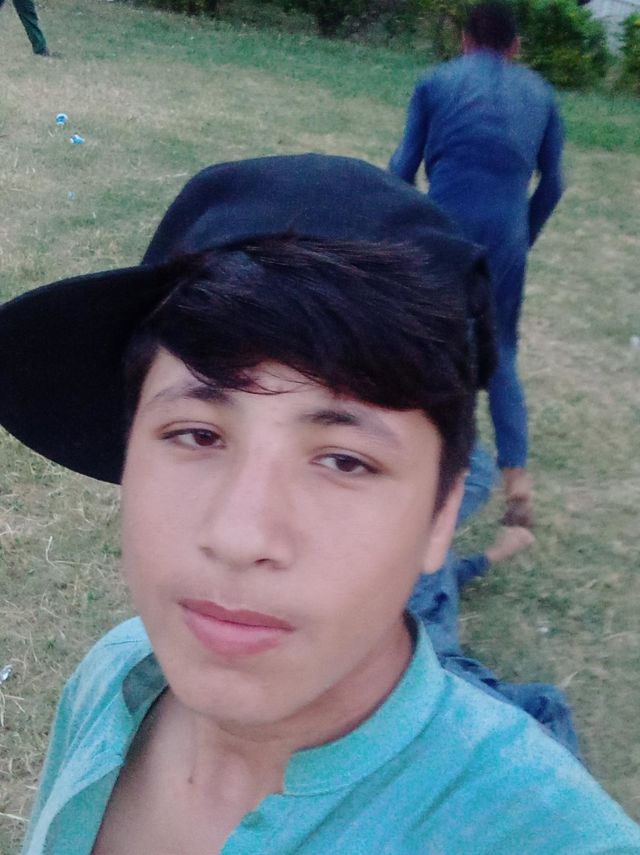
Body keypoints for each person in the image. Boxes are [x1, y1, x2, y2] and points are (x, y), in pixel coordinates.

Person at [1, 155, 638, 854]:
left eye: (345, 460)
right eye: (197, 434)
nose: (241, 534)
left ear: (442, 514)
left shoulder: (544, 837)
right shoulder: (113, 677)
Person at [389, 1, 565, 530]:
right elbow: (554, 183)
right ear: (515, 47)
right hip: (507, 232)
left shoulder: (436, 82)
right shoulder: (541, 93)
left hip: (443, 226)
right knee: (502, 350)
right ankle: (518, 482)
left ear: (465, 41)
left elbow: (402, 168)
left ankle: (422, 460)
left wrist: (406, 226)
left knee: (429, 339)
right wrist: (523, 235)